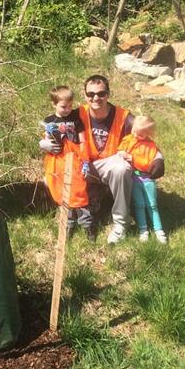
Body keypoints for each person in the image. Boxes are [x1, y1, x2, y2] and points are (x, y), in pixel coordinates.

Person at [79, 75, 135, 244]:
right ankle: (79, 215)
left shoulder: (124, 117)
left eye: (101, 93)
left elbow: (145, 140)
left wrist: (156, 159)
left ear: (108, 94)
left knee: (122, 167)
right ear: (85, 95)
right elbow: (56, 126)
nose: (96, 98)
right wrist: (46, 142)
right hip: (84, 166)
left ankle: (120, 223)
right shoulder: (78, 114)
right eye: (91, 94)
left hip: (109, 166)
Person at [39, 85, 95, 239]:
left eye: (70, 106)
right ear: (54, 104)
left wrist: (85, 162)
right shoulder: (49, 121)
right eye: (64, 106)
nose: (68, 109)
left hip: (74, 160)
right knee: (62, 191)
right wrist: (45, 143)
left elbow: (82, 142)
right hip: (56, 161)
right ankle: (68, 225)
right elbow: (46, 139)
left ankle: (87, 224)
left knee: (78, 192)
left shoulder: (76, 120)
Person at [117, 114, 166, 243]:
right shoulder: (129, 138)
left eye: (140, 135)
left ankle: (158, 229)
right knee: (139, 204)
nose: (136, 136)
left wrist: (133, 159)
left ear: (148, 134)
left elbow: (149, 164)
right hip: (134, 179)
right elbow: (121, 147)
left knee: (152, 204)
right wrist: (121, 152)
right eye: (134, 132)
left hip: (147, 179)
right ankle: (143, 229)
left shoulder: (150, 146)